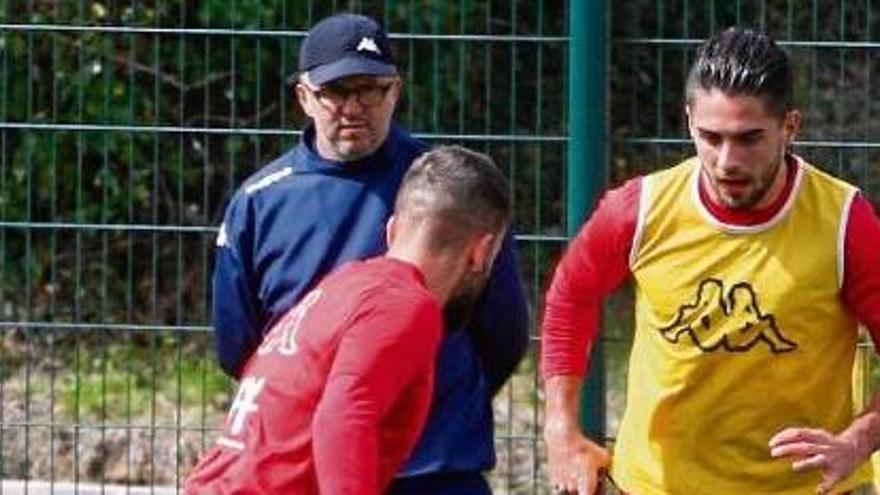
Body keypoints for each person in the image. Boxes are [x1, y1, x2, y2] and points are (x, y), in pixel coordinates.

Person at [541, 27, 880, 495]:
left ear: (790, 127)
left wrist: (859, 440)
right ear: (688, 122)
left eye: (748, 139)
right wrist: (561, 429)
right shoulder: (639, 210)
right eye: (710, 137)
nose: (726, 161)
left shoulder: (845, 222)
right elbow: (570, 296)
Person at [211, 13, 529, 494]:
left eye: (370, 89)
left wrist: (428, 403)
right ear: (304, 97)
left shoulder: (445, 189)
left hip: (434, 468)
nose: (354, 106)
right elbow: (244, 349)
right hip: (317, 470)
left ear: (395, 91)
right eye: (337, 91)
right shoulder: (259, 202)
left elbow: (502, 332)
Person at [186, 146, 513, 494]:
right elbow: (343, 419)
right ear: (481, 253)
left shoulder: (348, 284)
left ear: (391, 230)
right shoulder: (407, 305)